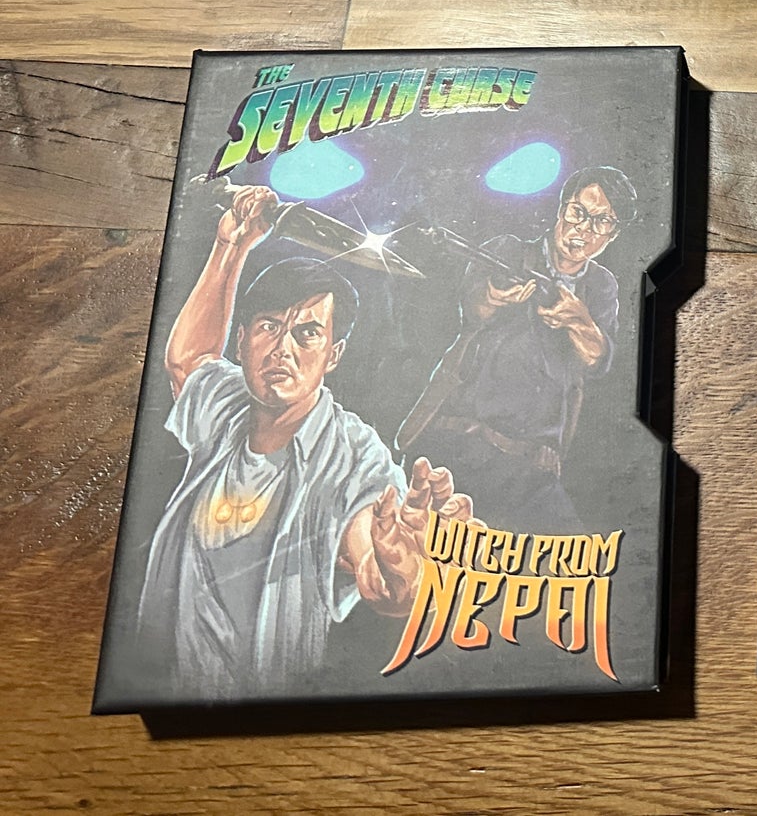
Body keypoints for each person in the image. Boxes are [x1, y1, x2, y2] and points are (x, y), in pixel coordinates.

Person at [135, 184, 472, 696]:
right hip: (165, 688)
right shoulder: (227, 407)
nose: (283, 349)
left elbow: (372, 560)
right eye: (269, 327)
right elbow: (189, 361)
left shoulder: (356, 455)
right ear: (242, 340)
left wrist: (399, 575)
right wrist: (232, 246)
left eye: (308, 333)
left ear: (333, 354)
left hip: (262, 705)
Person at [398, 165, 633, 529]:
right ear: (562, 209)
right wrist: (494, 295)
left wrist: (578, 320)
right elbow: (471, 309)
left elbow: (598, 361)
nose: (584, 230)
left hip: (530, 467)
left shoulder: (601, 286)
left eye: (601, 222)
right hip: (458, 439)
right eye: (578, 212)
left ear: (612, 235)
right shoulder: (508, 250)